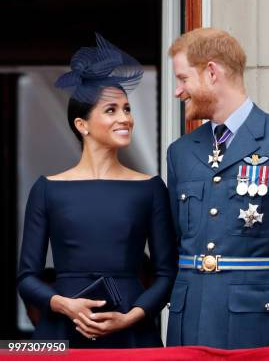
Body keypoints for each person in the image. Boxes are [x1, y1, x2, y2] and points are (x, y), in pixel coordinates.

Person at [17, 34, 177, 348]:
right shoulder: (47, 189)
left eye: (127, 109)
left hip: (131, 330)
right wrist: (64, 305)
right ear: (82, 125)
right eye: (112, 110)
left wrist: (132, 316)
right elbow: (27, 278)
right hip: (61, 329)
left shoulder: (150, 188)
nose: (125, 119)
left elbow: (167, 273)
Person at [165, 28, 269, 349]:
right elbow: (174, 241)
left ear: (212, 73)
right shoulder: (180, 152)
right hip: (190, 316)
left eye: (183, 79)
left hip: (256, 320)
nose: (178, 91)